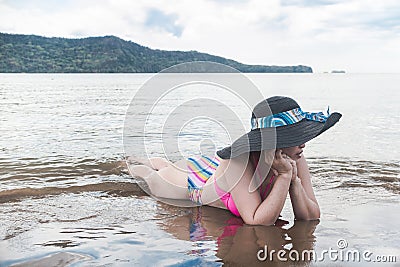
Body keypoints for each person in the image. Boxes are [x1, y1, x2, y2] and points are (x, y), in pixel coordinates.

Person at [129, 96, 342, 226]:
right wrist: (285, 176)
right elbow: (257, 220)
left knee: (167, 164)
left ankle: (154, 161)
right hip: (189, 188)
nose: (303, 143)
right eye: (296, 137)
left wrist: (294, 182)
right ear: (276, 141)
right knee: (149, 174)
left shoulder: (296, 156)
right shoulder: (239, 162)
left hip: (215, 173)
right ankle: (131, 162)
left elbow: (311, 217)